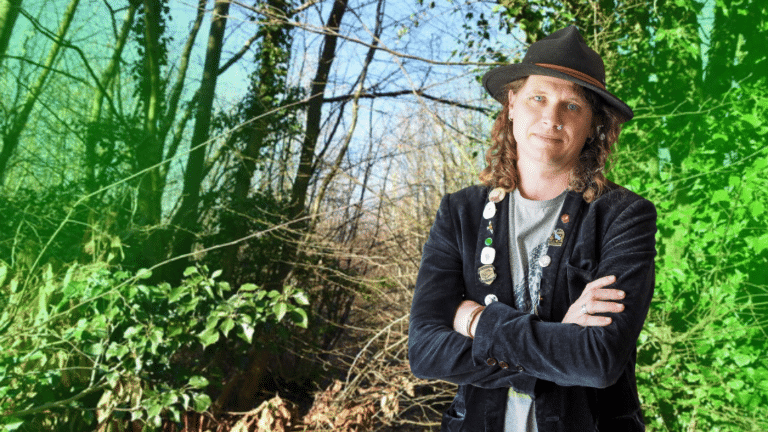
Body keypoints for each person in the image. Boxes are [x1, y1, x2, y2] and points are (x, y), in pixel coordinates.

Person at [408, 26, 657, 432]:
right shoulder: (461, 213)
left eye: (571, 105)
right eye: (538, 98)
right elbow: (425, 351)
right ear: (512, 104)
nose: (551, 119)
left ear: (593, 122)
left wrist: (476, 322)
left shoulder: (623, 217)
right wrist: (559, 342)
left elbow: (597, 361)